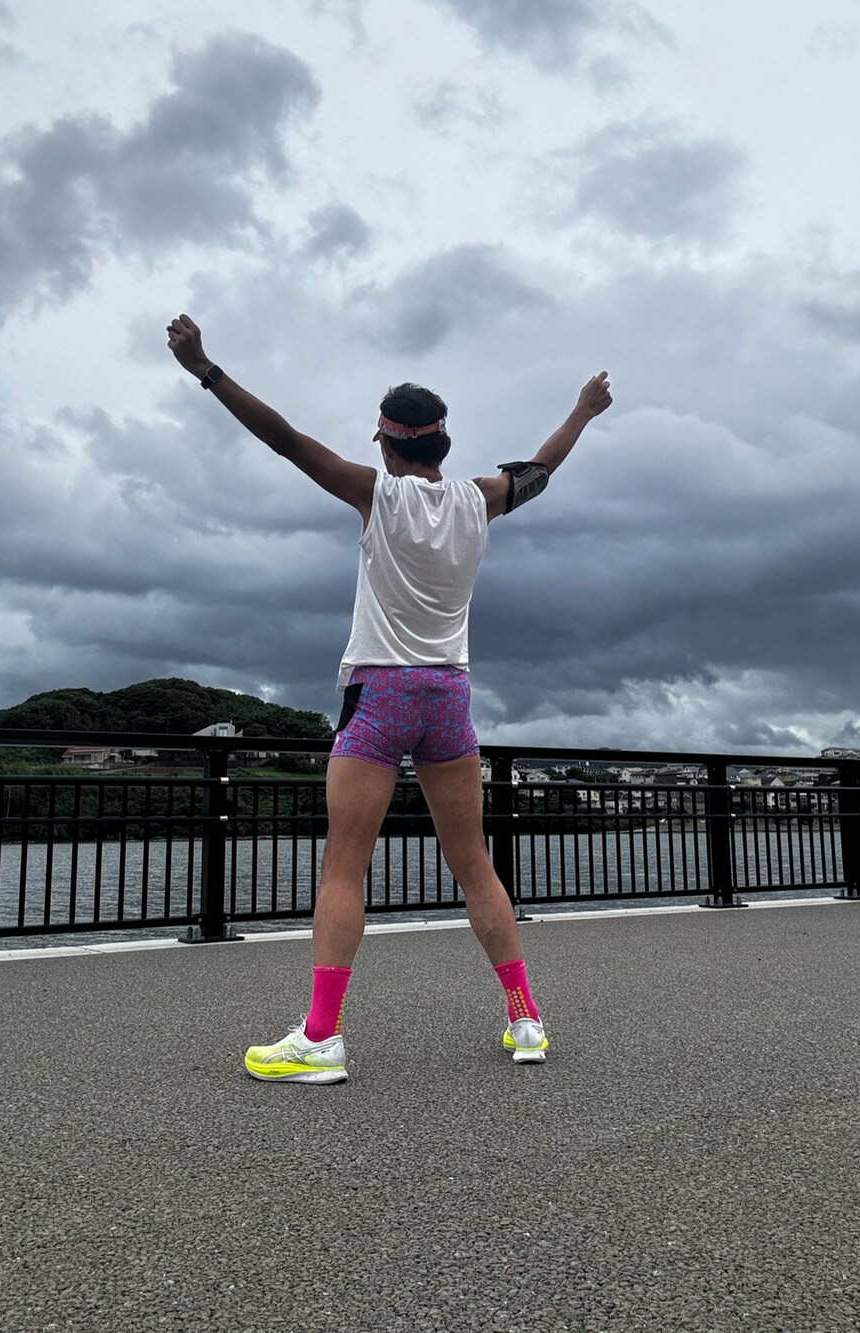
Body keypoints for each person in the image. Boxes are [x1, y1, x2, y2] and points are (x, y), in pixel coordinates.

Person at [167, 313, 612, 1083]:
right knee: (475, 864)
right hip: (450, 692)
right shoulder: (482, 500)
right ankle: (526, 1019)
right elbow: (542, 468)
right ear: (440, 441)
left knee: (346, 864)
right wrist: (583, 409)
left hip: (380, 691)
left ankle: (320, 1038)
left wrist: (206, 371)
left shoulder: (375, 494)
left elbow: (283, 438)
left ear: (386, 440)